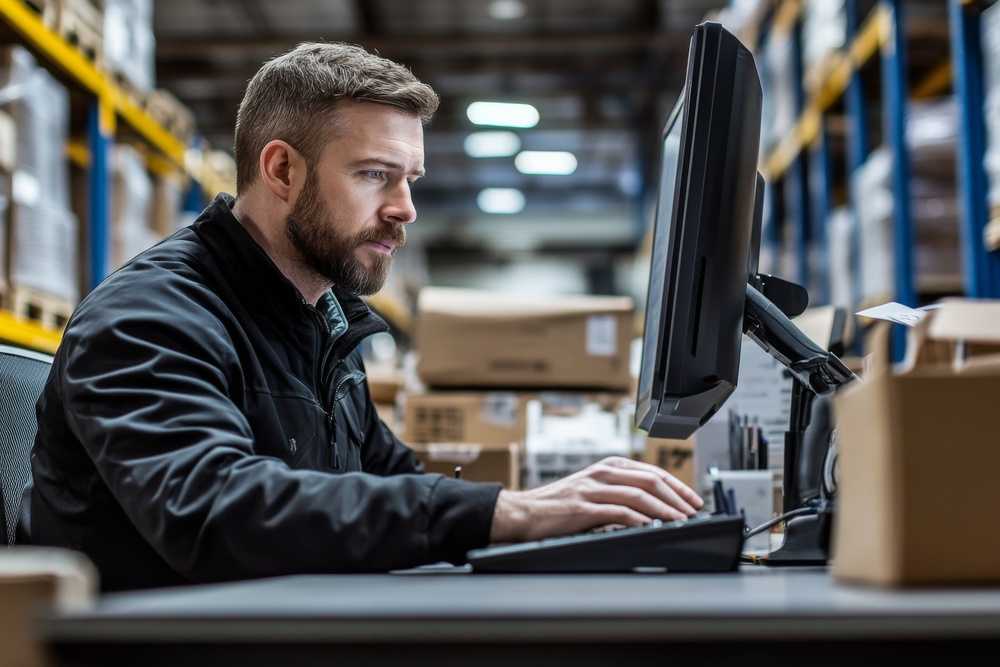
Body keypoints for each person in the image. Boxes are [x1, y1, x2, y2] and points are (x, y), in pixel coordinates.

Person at [26, 43, 703, 591]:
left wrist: (549, 508)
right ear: (282, 170)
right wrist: (509, 514)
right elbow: (216, 513)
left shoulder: (318, 317)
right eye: (376, 175)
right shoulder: (149, 317)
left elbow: (389, 475)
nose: (406, 207)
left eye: (411, 178)